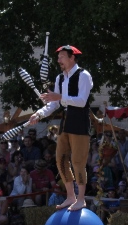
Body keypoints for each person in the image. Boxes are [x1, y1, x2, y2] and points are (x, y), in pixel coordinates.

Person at [29, 44, 94, 211]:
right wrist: (38, 114)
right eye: (58, 58)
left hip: (80, 122)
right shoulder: (60, 78)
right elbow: (54, 104)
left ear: (72, 58)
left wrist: (60, 97)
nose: (58, 60)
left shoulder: (84, 75)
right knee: (61, 160)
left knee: (78, 162)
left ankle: (81, 199)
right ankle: (70, 196)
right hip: (65, 122)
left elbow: (81, 101)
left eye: (62, 57)